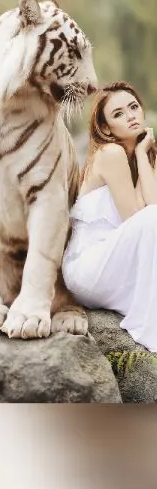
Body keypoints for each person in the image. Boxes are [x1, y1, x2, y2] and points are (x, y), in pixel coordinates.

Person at [62, 81, 157, 352]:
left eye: (134, 107)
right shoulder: (110, 154)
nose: (130, 116)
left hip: (120, 264)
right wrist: (140, 154)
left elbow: (152, 207)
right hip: (87, 268)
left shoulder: (147, 156)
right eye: (118, 114)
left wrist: (142, 155)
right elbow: (138, 218)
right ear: (105, 128)